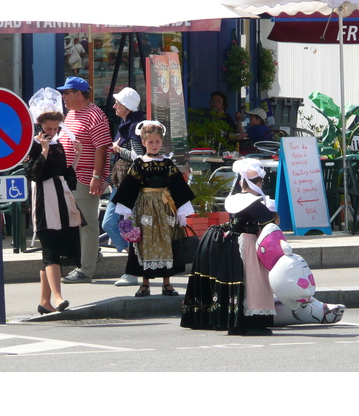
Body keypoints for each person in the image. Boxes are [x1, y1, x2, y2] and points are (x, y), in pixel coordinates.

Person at [181, 158, 279, 336]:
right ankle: (250, 323)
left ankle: (237, 323)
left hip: (233, 244)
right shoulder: (253, 202)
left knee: (239, 284)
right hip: (247, 244)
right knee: (253, 284)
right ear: (258, 183)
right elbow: (269, 221)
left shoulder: (236, 199)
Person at [112, 121, 196, 297]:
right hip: (144, 209)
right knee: (145, 242)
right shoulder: (139, 164)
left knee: (166, 241)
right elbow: (129, 188)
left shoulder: (167, 164)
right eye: (150, 142)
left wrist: (182, 212)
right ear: (143, 143)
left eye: (157, 141)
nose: (154, 145)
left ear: (162, 142)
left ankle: (167, 283)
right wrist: (127, 213)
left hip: (165, 208)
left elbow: (178, 186)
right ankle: (145, 283)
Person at [24, 109, 84, 314]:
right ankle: (57, 298)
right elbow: (33, 174)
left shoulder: (58, 144)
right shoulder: (33, 144)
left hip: (61, 200)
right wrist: (43, 150)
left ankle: (45, 302)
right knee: (50, 250)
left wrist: (77, 155)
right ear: (39, 125)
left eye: (56, 128)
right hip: (44, 201)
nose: (52, 132)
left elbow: (66, 175)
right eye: (48, 128)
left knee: (51, 252)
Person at [57, 77, 112, 283]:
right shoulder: (71, 113)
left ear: (78, 94)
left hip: (85, 177)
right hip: (70, 177)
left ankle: (86, 270)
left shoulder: (95, 115)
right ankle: (91, 254)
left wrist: (97, 177)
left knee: (87, 223)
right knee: (76, 222)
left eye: (66, 93)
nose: (63, 97)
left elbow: (102, 147)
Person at [101, 87, 146, 287]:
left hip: (130, 185)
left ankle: (133, 267)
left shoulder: (135, 127)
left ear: (126, 107)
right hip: (122, 183)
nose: (114, 106)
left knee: (118, 224)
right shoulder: (127, 124)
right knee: (114, 224)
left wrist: (118, 149)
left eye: (117, 103)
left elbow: (137, 157)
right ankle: (136, 263)